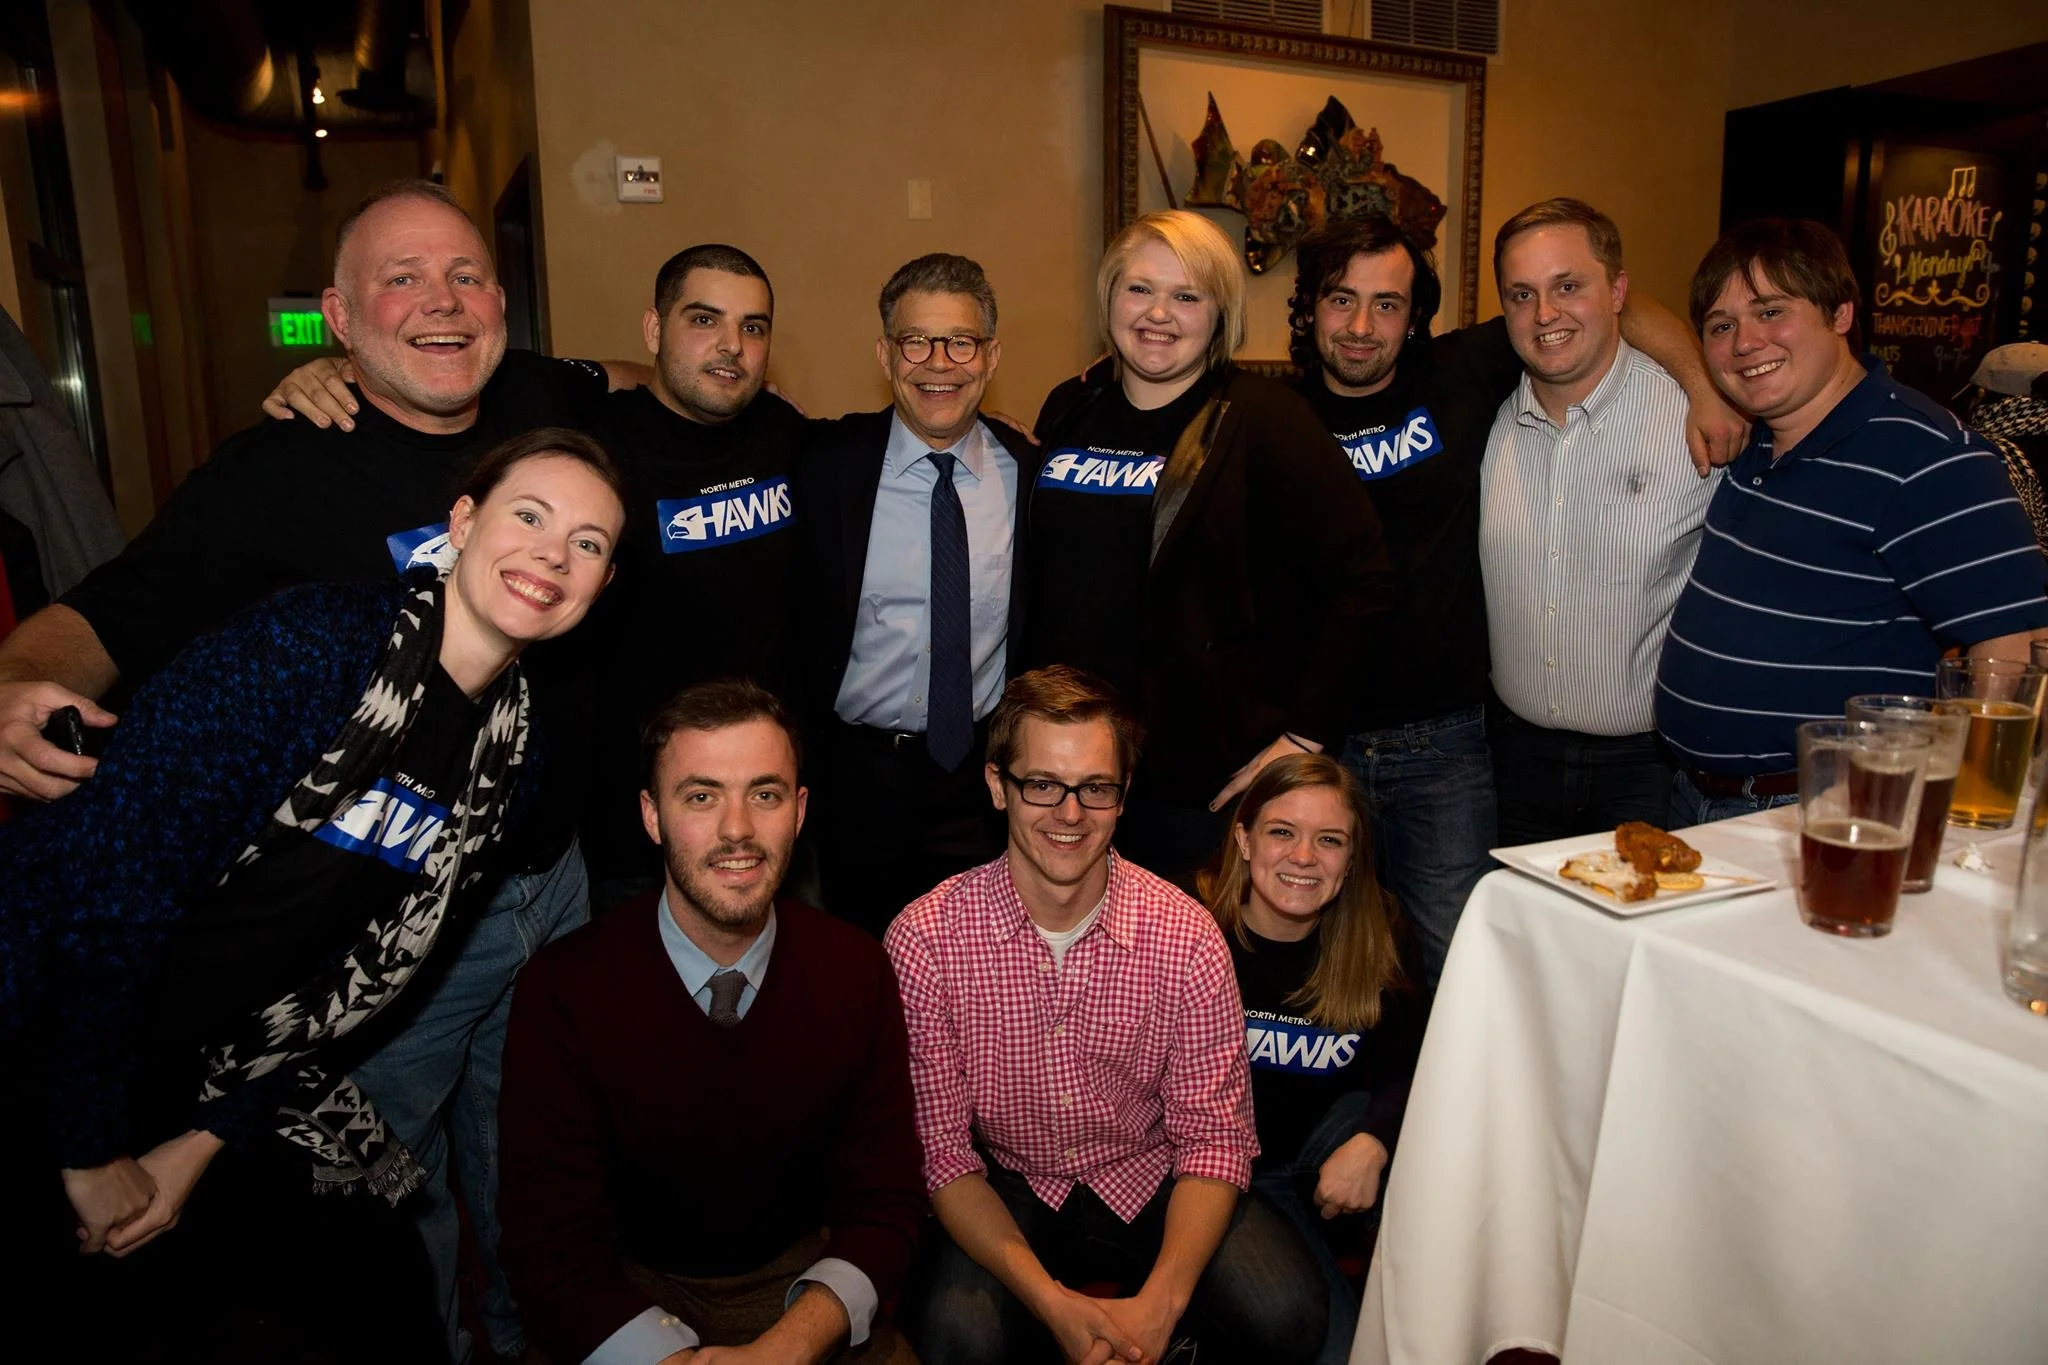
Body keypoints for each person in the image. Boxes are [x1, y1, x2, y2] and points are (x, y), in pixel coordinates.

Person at [0, 178, 625, 1363]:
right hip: (99, 1026)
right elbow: (108, 626)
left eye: (463, 278)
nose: (439, 304)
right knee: (391, 1199)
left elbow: (340, 980)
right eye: (400, 279)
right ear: (336, 316)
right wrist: (12, 680)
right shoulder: (284, 512)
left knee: (530, 1147)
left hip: (518, 880)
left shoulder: (542, 402)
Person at [1284, 214, 1746, 985]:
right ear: (1309, 308)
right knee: (1330, 970)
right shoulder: (1274, 421)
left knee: (1474, 966)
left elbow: (1607, 309)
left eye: (1388, 303)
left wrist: (1703, 385)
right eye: (1340, 299)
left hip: (1453, 748)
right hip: (1325, 744)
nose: (1363, 325)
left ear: (1416, 315)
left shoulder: (1460, 375)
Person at [886, 666, 1327, 1365]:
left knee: (1291, 1315)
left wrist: (1160, 1307)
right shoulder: (925, 938)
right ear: (998, 786)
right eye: (1043, 784)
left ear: (1123, 798)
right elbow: (943, 1156)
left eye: (1095, 787)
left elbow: (1214, 1138)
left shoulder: (1184, 933)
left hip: (1149, 1170)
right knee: (956, 1336)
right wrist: (1050, 1302)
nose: (1070, 813)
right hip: (1009, 1178)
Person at [498, 680, 922, 1364]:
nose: (737, 830)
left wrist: (786, 1348)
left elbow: (887, 1203)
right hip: (623, 1293)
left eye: (765, 793)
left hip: (802, 1288)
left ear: (800, 809)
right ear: (652, 815)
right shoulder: (564, 988)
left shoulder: (855, 969)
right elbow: (547, 1241)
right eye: (701, 796)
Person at [1024, 209, 1390, 887]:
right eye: (1139, 289)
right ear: (1108, 296)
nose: (1159, 313)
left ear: (1220, 312)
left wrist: (1306, 735)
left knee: (1189, 981)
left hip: (1195, 788)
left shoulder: (1266, 419)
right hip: (1066, 776)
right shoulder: (1070, 407)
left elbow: (1363, 579)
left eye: (1187, 295)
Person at [1657, 219, 2048, 826]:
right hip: (1698, 798)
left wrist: (1962, 806)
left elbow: (2017, 646)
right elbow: (1622, 308)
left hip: (1824, 810)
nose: (1744, 343)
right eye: (1721, 325)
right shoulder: (1759, 439)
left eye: (1770, 312)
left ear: (1840, 313)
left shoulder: (1926, 456)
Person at [794, 253, 1044, 936]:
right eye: (916, 341)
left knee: (977, 971)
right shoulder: (824, 464)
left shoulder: (1032, 475)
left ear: (991, 357)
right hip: (855, 777)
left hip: (981, 778)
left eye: (961, 341)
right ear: (885, 354)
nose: (940, 362)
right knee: (854, 970)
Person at [573, 243, 811, 904]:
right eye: (704, 320)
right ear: (655, 328)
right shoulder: (594, 446)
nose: (731, 345)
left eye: (753, 326)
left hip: (769, 806)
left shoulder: (786, 431)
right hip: (637, 822)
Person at [1479, 199, 1715, 843]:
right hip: (1508, 762)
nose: (1545, 314)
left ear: (1617, 291)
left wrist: (1704, 383)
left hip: (1650, 768)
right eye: (1521, 294)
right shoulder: (1478, 415)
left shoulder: (1697, 420)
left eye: (1568, 286)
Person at [1201, 752, 1422, 1365]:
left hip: (1313, 1164)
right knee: (1293, 1325)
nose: (1304, 857)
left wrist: (1374, 1142)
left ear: (1351, 860)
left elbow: (1413, 1064)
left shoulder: (1380, 935)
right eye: (1281, 832)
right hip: (1211, 1174)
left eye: (1329, 840)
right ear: (1243, 840)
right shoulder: (1191, 928)